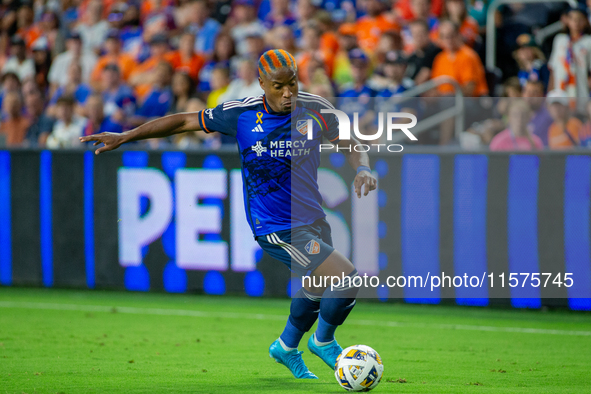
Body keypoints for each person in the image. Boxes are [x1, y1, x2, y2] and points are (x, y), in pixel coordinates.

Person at [80, 48, 377, 380]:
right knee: (345, 277)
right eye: (279, 86)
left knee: (318, 285)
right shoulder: (241, 113)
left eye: (292, 83)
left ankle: (286, 346)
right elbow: (182, 121)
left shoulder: (316, 110)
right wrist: (126, 136)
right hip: (275, 226)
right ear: (262, 83)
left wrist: (362, 169)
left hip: (313, 218)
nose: (288, 93)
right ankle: (323, 341)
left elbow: (350, 143)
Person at [548, 5, 591, 114]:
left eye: (580, 19)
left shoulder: (588, 42)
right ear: (567, 20)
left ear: (586, 21)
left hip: (580, 91)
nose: (576, 23)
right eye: (572, 19)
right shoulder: (559, 40)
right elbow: (553, 68)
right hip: (561, 90)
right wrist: (550, 92)